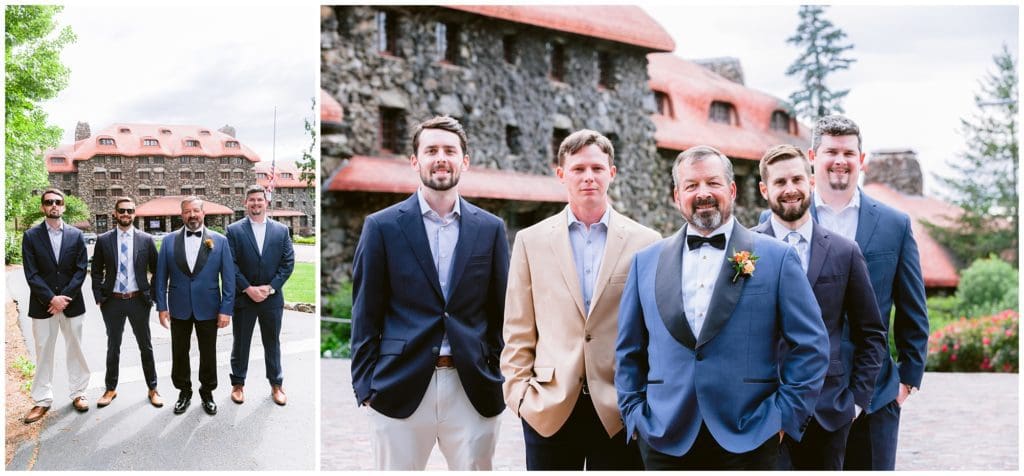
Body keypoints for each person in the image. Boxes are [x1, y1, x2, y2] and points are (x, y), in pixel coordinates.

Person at [615, 146, 829, 470]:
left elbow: (811, 345)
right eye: (692, 186)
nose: (703, 194)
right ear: (677, 196)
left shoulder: (777, 258)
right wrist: (634, 415)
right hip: (663, 435)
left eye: (713, 183)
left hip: (751, 433)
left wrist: (784, 416)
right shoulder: (645, 262)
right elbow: (628, 350)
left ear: (731, 190)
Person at [350, 115, 509, 470]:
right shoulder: (382, 227)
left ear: (464, 162)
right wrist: (366, 387)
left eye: (450, 150)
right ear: (415, 160)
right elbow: (364, 313)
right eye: (431, 150)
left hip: (472, 389)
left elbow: (501, 312)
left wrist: (496, 373)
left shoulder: (490, 229)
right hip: (399, 388)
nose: (441, 157)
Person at [501, 129, 659, 470]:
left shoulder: (646, 242)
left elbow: (653, 330)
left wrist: (645, 400)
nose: (588, 177)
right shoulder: (531, 241)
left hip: (619, 408)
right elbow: (517, 328)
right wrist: (520, 397)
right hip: (549, 409)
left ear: (611, 173)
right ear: (561, 175)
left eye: (597, 169)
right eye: (578, 169)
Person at [753, 144, 888, 469]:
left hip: (830, 412)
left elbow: (872, 333)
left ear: (811, 180)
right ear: (763, 189)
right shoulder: (745, 250)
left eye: (797, 179)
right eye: (779, 182)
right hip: (763, 412)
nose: (790, 190)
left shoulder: (845, 251)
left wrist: (855, 402)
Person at [808, 115, 929, 470]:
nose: (840, 160)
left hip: (877, 394)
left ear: (862, 161)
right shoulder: (789, 223)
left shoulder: (894, 224)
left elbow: (913, 306)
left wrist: (907, 381)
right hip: (808, 392)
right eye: (831, 151)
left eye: (848, 152)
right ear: (812, 157)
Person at [154, 196, 236, 416]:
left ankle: (207, 392)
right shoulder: (168, 241)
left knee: (208, 352)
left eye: (196, 211)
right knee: (179, 352)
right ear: (182, 215)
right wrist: (161, 307)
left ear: (203, 213)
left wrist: (226, 309)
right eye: (187, 211)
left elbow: (228, 279)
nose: (192, 215)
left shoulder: (220, 241)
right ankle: (184, 391)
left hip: (209, 307)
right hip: (178, 306)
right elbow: (160, 278)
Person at [21, 189, 91, 423]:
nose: (53, 205)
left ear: (63, 206)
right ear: (43, 207)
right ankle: (42, 400)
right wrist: (51, 298)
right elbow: (31, 273)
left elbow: (81, 270)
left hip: (71, 304)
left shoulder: (76, 235)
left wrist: (64, 298)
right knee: (43, 353)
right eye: (49, 202)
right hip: (43, 306)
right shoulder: (31, 236)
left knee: (76, 350)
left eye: (57, 202)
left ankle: (79, 393)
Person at [226, 185, 295, 406]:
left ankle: (276, 385)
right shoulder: (234, 230)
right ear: (245, 203)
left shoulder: (281, 230)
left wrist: (271, 287)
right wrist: (248, 288)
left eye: (259, 200)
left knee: (272, 343)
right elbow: (230, 264)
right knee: (241, 343)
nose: (256, 203)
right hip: (244, 298)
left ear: (266, 203)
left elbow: (288, 262)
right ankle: (238, 384)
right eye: (252, 200)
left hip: (271, 299)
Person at [91, 197, 163, 408]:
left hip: (138, 300)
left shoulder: (146, 239)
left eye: (130, 211)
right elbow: (95, 270)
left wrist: (151, 296)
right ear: (115, 213)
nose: (126, 214)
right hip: (112, 301)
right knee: (113, 346)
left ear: (134, 214)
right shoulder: (104, 240)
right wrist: (99, 296)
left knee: (146, 346)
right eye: (122, 210)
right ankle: (110, 389)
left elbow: (157, 269)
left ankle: (153, 388)